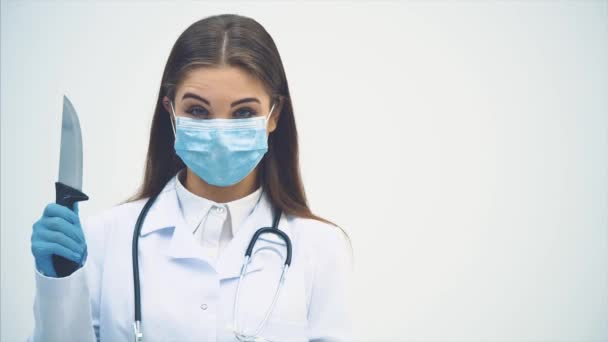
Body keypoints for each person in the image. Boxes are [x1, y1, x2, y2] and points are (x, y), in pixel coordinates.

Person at [29, 14, 353, 342]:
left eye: (243, 113)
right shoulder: (105, 238)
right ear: (170, 111)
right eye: (198, 111)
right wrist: (58, 285)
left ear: (275, 115)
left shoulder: (321, 247)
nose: (219, 131)